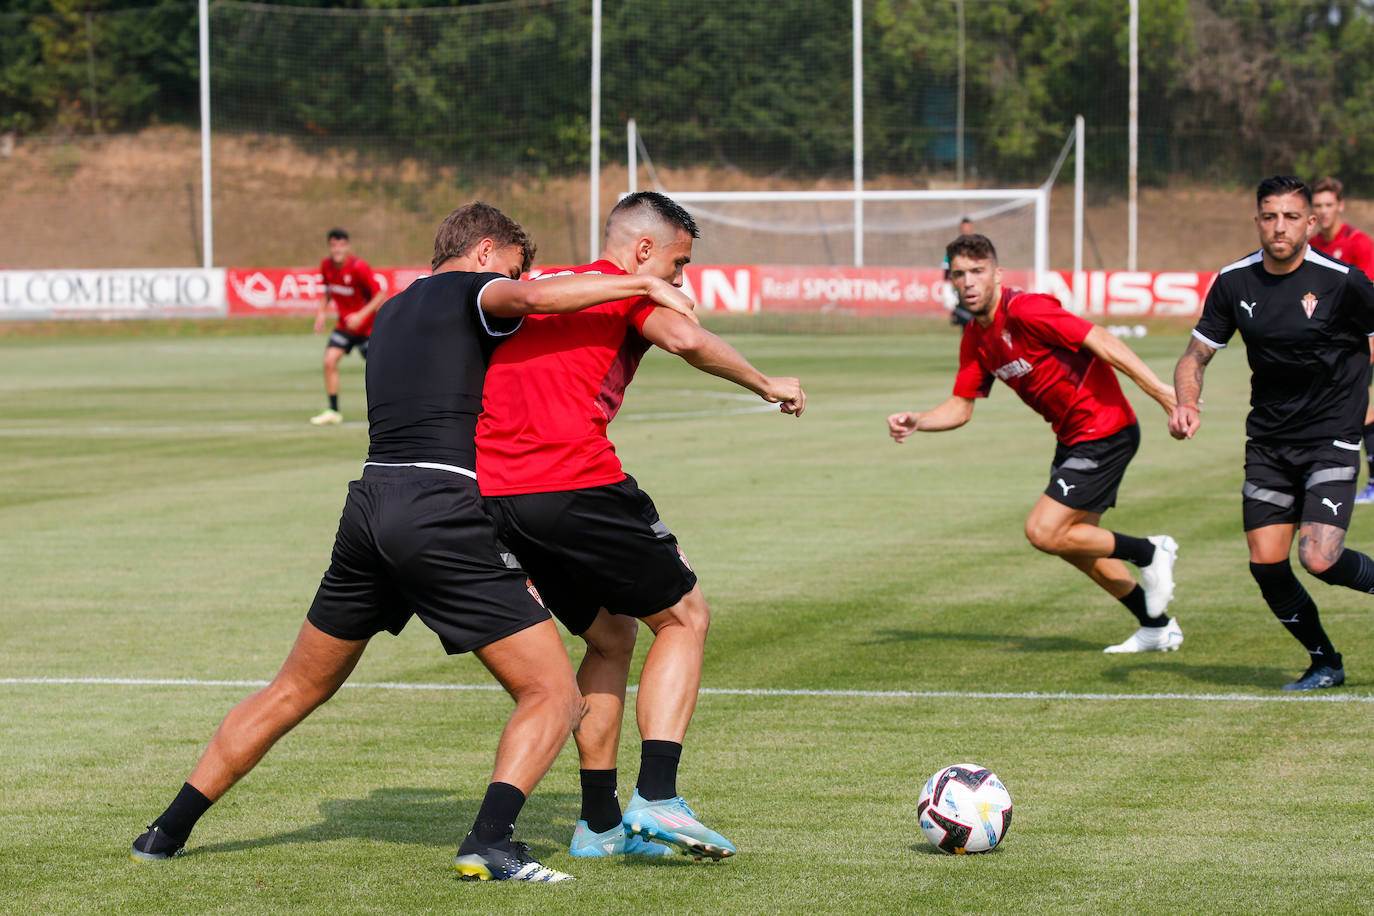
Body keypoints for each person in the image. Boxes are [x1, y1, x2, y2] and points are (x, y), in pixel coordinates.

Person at [130, 202, 701, 882]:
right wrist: (640, 283)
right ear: (485, 253)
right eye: (512, 267)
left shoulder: (394, 307)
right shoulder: (475, 289)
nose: (516, 290)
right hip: (440, 512)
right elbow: (541, 297)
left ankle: (165, 832)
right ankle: (490, 842)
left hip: (369, 506)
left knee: (293, 689)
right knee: (553, 693)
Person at [476, 192, 805, 861]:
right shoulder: (629, 289)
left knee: (610, 634)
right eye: (679, 263)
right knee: (684, 615)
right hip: (571, 479)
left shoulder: (547, 286)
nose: (679, 281)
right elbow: (686, 338)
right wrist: (767, 382)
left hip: (498, 497)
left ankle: (598, 825)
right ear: (645, 251)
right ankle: (659, 799)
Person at [888, 233, 1181, 653]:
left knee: (1043, 531)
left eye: (977, 271)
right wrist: (919, 420)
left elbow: (1101, 340)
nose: (968, 282)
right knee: (1075, 545)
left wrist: (1161, 393)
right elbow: (960, 407)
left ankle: (1152, 551)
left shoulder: (1026, 309)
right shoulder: (975, 336)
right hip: (1072, 439)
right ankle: (1156, 626)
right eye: (959, 275)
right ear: (950, 280)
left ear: (997, 274)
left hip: (1104, 430)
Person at [1170, 175, 1374, 691]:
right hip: (1268, 442)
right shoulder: (1235, 282)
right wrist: (1187, 403)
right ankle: (1325, 661)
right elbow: (1196, 354)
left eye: (1289, 216)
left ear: (1311, 222)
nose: (1278, 226)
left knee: (1319, 558)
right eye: (1269, 215)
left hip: (1331, 434)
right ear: (1257, 220)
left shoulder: (1342, 280)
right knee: (1267, 564)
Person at [1309, 177, 1374, 504]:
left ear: (1340, 206)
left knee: (1365, 408)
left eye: (1328, 205)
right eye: (1317, 205)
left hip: (1361, 338)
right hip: (1328, 344)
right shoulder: (1313, 246)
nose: (1323, 211)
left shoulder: (1359, 243)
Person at [310, 228, 386, 426]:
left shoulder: (359, 267)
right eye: (333, 245)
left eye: (341, 245)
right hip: (344, 327)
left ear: (347, 246)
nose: (337, 249)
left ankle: (389, 409)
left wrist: (361, 315)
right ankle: (333, 410)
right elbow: (327, 291)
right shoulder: (326, 265)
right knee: (329, 361)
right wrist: (320, 314)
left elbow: (380, 295)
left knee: (379, 370)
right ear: (329, 247)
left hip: (367, 329)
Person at [942, 216, 977, 327]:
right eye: (964, 227)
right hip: (962, 293)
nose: (966, 230)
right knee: (966, 325)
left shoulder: (978, 246)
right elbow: (947, 271)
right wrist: (947, 292)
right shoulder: (954, 248)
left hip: (976, 291)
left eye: (968, 227)